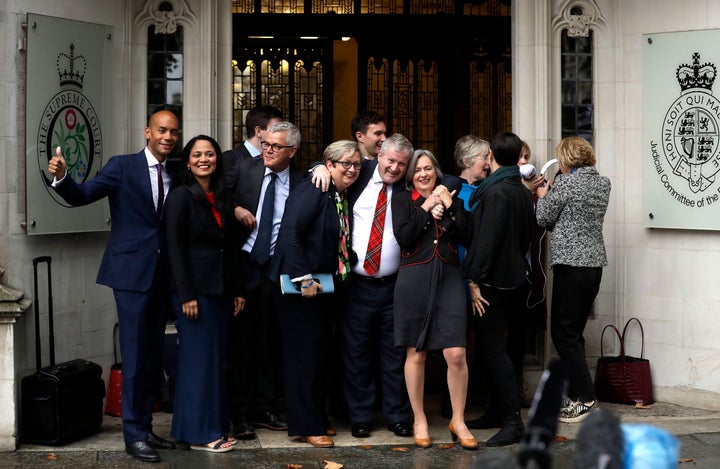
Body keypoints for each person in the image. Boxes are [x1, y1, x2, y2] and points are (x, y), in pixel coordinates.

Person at [47, 109, 181, 463]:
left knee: (153, 357)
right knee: (136, 358)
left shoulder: (175, 173)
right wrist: (63, 178)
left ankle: (147, 428)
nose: (168, 137)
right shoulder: (122, 166)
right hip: (131, 275)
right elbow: (83, 195)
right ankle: (133, 436)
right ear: (147, 132)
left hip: (161, 275)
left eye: (174, 132)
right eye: (162, 130)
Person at [269, 140, 362, 448]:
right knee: (304, 358)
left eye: (356, 164)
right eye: (344, 163)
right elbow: (289, 234)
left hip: (323, 288)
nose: (351, 169)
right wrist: (304, 279)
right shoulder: (315, 188)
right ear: (329, 164)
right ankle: (306, 425)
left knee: (318, 355)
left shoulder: (336, 192)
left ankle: (316, 419)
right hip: (300, 289)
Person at [164, 135, 245, 453]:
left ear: (217, 159)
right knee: (198, 363)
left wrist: (238, 289)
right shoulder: (181, 196)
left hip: (222, 292)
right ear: (187, 161)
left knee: (214, 363)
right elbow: (175, 248)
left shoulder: (223, 195)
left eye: (209, 154)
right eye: (197, 154)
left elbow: (232, 247)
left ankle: (204, 427)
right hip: (194, 295)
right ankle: (200, 434)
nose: (203, 159)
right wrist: (186, 295)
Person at [392, 149, 477, 450]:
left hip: (450, 277)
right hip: (414, 278)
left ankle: (458, 419)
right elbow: (405, 237)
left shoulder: (452, 194)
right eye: (417, 170)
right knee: (417, 352)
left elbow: (468, 234)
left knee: (456, 353)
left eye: (428, 168)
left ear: (436, 171)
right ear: (410, 175)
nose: (424, 174)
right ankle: (419, 418)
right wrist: (427, 208)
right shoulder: (402, 200)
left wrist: (451, 207)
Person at [225, 121, 304, 439]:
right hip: (243, 265)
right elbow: (216, 197)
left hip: (277, 270)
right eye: (266, 144)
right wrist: (235, 208)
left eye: (275, 147)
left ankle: (264, 407)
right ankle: (239, 412)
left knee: (270, 340)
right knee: (241, 341)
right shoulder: (244, 169)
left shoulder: (302, 182)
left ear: (292, 151)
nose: (267, 150)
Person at [462, 131, 535, 447]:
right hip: (513, 278)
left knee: (493, 349)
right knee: (496, 349)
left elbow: (486, 242)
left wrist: (474, 280)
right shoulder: (518, 189)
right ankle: (496, 411)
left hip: (492, 282)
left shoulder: (495, 192)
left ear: (490, 154)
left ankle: (511, 420)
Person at [535, 136, 610, 424]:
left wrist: (544, 195)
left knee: (562, 334)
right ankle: (578, 396)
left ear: (565, 160)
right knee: (574, 332)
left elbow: (544, 218)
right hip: (594, 267)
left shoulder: (566, 183)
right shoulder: (603, 183)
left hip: (570, 266)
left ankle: (588, 399)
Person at [222, 105, 283, 190]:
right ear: (258, 131)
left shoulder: (278, 158)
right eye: (276, 129)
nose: (280, 134)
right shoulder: (230, 160)